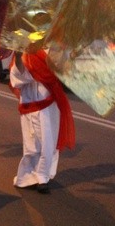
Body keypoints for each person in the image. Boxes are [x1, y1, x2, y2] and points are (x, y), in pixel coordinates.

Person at [10, 49, 75, 194]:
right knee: (32, 145)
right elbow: (19, 76)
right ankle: (27, 177)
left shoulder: (56, 48)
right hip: (30, 104)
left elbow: (64, 70)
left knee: (49, 142)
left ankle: (42, 177)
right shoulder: (27, 49)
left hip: (49, 104)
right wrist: (19, 56)